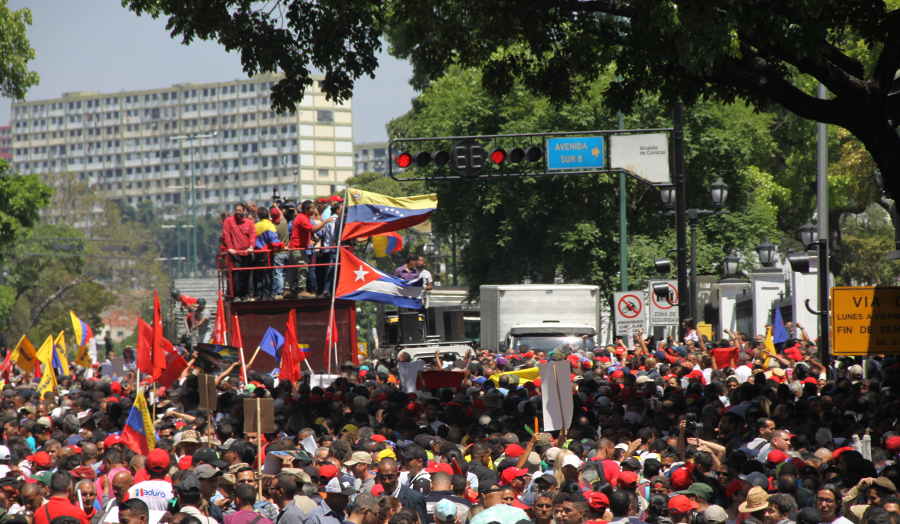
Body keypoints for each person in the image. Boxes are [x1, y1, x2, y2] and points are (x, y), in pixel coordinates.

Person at [288, 200, 335, 298]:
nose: (314, 210)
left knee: (292, 269)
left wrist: (313, 237)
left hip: (297, 247)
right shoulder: (302, 218)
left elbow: (308, 230)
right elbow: (312, 229)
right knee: (303, 267)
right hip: (298, 248)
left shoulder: (304, 218)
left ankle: (288, 290)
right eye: (312, 208)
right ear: (306, 209)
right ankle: (301, 290)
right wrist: (325, 221)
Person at [222, 203, 257, 301]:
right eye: (236, 210)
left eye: (240, 210)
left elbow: (252, 235)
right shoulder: (228, 221)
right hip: (235, 254)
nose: (238, 212)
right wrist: (230, 248)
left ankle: (247, 295)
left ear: (244, 211)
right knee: (237, 275)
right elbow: (226, 235)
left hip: (247, 253)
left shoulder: (249, 222)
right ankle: (237, 295)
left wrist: (251, 247)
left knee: (247, 274)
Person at [254, 207, 284, 300]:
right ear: (268, 215)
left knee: (259, 275)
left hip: (257, 253)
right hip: (266, 253)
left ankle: (259, 295)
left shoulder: (255, 225)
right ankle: (267, 296)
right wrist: (282, 245)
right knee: (267, 275)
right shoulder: (269, 225)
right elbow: (274, 242)